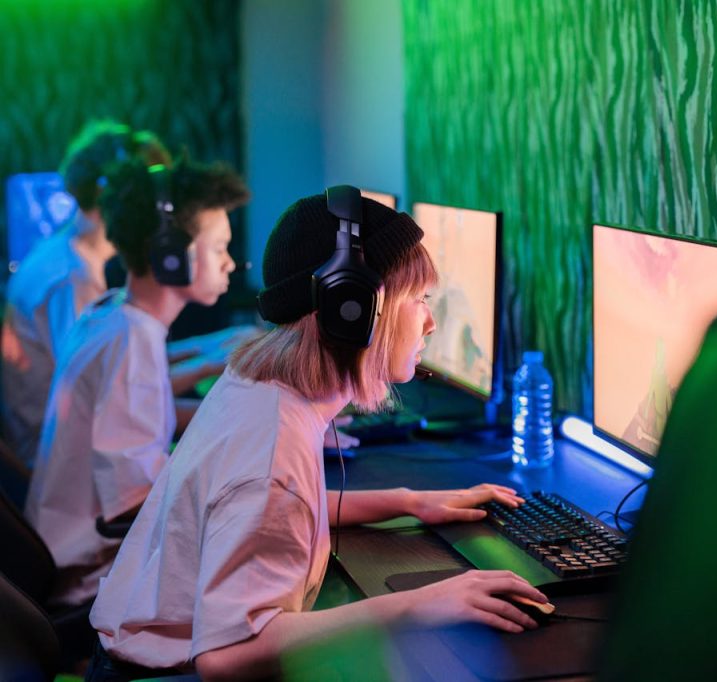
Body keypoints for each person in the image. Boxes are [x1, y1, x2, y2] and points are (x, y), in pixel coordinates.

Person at [87, 190, 548, 680]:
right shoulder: (272, 449)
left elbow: (279, 509)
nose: (431, 323)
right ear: (351, 308)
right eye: (418, 300)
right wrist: (421, 604)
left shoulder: (257, 385)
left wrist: (409, 501)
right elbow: (228, 657)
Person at [23, 157, 250, 608]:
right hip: (97, 579)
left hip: (75, 558)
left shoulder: (111, 313)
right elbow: (133, 503)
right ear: (171, 254)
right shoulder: (132, 341)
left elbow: (151, 420)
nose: (229, 263)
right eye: (219, 246)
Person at [1, 120, 170, 469]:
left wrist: (206, 354)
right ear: (115, 193)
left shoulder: (67, 254)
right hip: (54, 466)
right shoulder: (71, 278)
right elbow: (101, 395)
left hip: (62, 449)